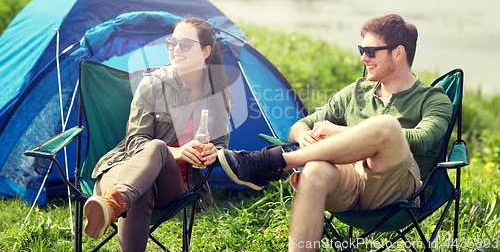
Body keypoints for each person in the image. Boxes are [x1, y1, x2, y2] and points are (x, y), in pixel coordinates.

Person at [218, 14, 452, 251]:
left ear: (399, 53)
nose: (363, 57)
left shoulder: (433, 99)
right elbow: (299, 125)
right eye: (362, 49)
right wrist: (302, 136)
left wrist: (339, 131)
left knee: (387, 126)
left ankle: (276, 161)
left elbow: (423, 140)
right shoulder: (356, 92)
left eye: (371, 51)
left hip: (396, 194)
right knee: (316, 170)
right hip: (349, 185)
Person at [84, 17, 232, 252]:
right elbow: (135, 142)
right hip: (121, 172)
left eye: (184, 44)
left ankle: (114, 204)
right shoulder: (153, 84)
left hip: (173, 186)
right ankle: (113, 201)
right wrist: (177, 151)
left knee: (157, 149)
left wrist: (216, 153)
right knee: (150, 164)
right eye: (171, 42)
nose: (175, 49)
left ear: (205, 51)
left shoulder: (218, 92)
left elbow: (221, 145)